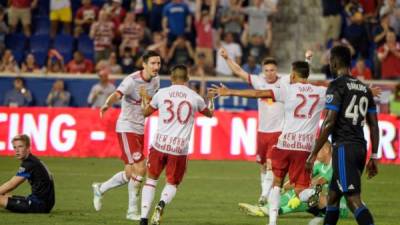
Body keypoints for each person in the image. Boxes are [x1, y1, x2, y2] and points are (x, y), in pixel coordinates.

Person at [210, 61, 327, 225]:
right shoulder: (322, 91)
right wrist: (367, 92)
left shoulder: (287, 89)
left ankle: (272, 223)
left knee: (276, 184)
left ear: (293, 75)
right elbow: (344, 96)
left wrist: (229, 91)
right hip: (304, 149)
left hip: (285, 144)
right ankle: (313, 192)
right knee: (301, 190)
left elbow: (258, 93)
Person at [306, 45, 379, 225]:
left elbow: (330, 122)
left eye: (331, 60)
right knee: (332, 197)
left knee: (353, 200)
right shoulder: (363, 88)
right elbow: (374, 125)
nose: (329, 64)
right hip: (359, 148)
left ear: (336, 61)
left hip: (344, 148)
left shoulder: (336, 85)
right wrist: (374, 155)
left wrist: (314, 153)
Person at [139, 64, 214, 225]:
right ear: (187, 79)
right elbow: (210, 114)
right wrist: (212, 99)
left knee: (151, 181)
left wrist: (144, 98)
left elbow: (145, 112)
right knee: (172, 183)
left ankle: (143, 218)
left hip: (159, 145)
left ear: (171, 78)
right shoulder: (194, 97)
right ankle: (161, 204)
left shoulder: (161, 93)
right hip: (179, 148)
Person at [92, 51, 161, 221]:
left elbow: (149, 106)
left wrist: (148, 99)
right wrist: (107, 104)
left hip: (139, 128)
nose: (156, 67)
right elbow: (117, 94)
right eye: (153, 63)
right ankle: (131, 211)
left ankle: (100, 188)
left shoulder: (156, 80)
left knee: (131, 173)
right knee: (141, 167)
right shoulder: (131, 80)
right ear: (143, 64)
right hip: (126, 126)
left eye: (158, 63)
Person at [219, 47, 283, 205]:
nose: (269, 73)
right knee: (262, 165)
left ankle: (264, 196)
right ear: (263, 71)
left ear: (277, 70)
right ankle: (265, 192)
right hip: (262, 132)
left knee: (270, 163)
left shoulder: (285, 82)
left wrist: (307, 60)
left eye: (272, 70)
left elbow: (302, 75)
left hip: (278, 132)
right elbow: (239, 71)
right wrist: (227, 58)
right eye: (266, 70)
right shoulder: (258, 81)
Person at [0, 134, 55, 213]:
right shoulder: (33, 160)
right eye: (14, 147)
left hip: (39, 205)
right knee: (4, 195)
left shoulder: (29, 164)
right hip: (42, 202)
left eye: (20, 146)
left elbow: (12, 184)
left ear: (28, 147)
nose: (17, 150)